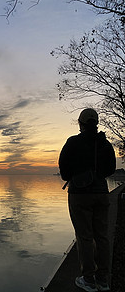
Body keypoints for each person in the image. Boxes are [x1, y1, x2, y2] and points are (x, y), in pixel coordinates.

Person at [59, 108, 116, 292]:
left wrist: (78, 176)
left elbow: (64, 171)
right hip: (101, 193)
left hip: (79, 195)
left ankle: (89, 279)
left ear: (80, 123)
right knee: (102, 236)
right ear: (96, 122)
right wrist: (97, 176)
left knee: (84, 237)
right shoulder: (105, 144)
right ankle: (103, 280)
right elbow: (111, 170)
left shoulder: (73, 142)